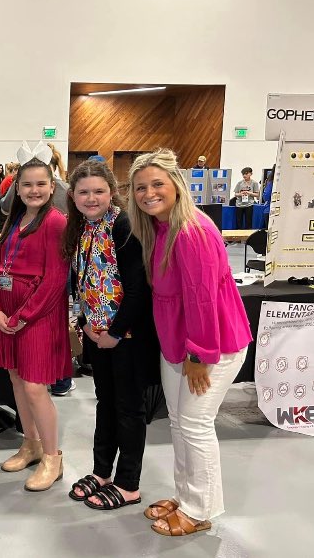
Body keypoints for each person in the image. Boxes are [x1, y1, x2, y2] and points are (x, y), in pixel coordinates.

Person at [128, 148, 251, 536]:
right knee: (180, 423)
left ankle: (200, 509)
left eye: (157, 184)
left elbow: (202, 299)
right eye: (140, 187)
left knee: (196, 424)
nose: (149, 193)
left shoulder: (192, 231)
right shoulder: (158, 228)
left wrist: (199, 354)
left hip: (210, 344)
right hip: (177, 344)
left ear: (177, 185)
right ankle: (186, 496)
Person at [61, 160, 159, 510]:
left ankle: (128, 483)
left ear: (112, 192)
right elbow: (83, 281)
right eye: (84, 192)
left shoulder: (124, 225)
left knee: (128, 409)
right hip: (96, 333)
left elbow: (137, 289)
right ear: (72, 196)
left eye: (99, 191)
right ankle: (102, 471)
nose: (91, 198)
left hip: (126, 336)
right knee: (105, 403)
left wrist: (116, 332)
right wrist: (85, 322)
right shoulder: (81, 228)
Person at [0, 158, 71, 492]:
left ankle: (53, 456)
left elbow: (55, 279)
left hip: (36, 316)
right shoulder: (16, 219)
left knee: (36, 387)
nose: (33, 190)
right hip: (8, 315)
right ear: (17, 189)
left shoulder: (56, 223)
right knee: (17, 380)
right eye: (27, 185)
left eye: (40, 184)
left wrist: (23, 316)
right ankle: (31, 444)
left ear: (52, 187)